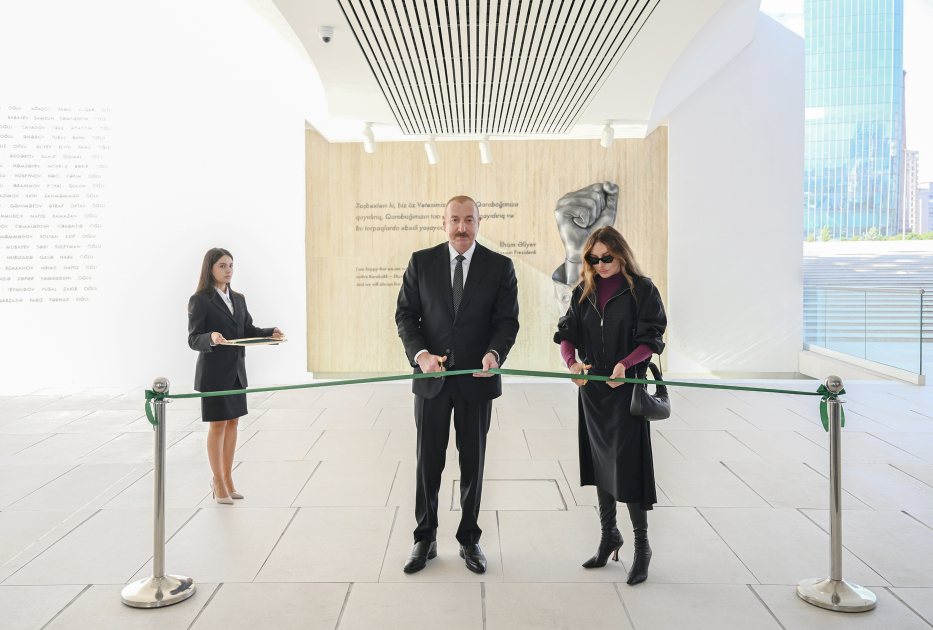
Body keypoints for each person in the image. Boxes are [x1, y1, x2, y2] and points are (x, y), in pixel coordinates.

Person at [395, 196, 519, 574]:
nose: (461, 228)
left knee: (473, 464)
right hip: (431, 380)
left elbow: (507, 322)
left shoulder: (500, 267)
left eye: (469, 220)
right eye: (455, 220)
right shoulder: (421, 262)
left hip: (477, 381)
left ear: (479, 222)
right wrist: (421, 356)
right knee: (427, 463)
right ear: (444, 222)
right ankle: (425, 538)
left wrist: (494, 354)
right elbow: (405, 316)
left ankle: (469, 539)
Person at [553, 226, 666, 585]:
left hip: (626, 389)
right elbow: (567, 335)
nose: (600, 265)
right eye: (592, 259)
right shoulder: (583, 291)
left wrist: (625, 365)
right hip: (593, 391)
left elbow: (651, 340)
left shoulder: (642, 290)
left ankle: (642, 547)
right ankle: (608, 536)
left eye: (606, 258)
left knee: (629, 466)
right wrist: (572, 364)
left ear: (621, 254)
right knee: (601, 463)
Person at [187, 248, 283, 505]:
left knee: (233, 424)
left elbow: (247, 329)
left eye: (230, 265)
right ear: (210, 269)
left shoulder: (238, 299)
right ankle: (217, 481)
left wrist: (270, 332)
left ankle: (228, 479)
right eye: (222, 265)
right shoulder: (200, 300)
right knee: (218, 425)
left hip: (237, 372)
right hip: (214, 374)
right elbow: (193, 339)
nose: (228, 270)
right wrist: (211, 337)